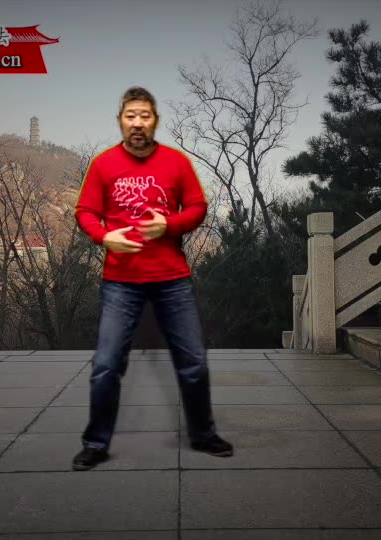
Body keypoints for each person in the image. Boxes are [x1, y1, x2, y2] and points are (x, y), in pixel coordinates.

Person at [72, 86, 233, 471]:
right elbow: (85, 211)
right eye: (131, 116)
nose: (138, 123)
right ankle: (96, 443)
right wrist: (104, 237)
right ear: (121, 121)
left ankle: (203, 434)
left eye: (144, 115)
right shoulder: (103, 164)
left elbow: (197, 207)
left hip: (172, 278)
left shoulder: (176, 162)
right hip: (120, 280)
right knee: (106, 365)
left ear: (154, 120)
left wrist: (169, 225)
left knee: (193, 362)